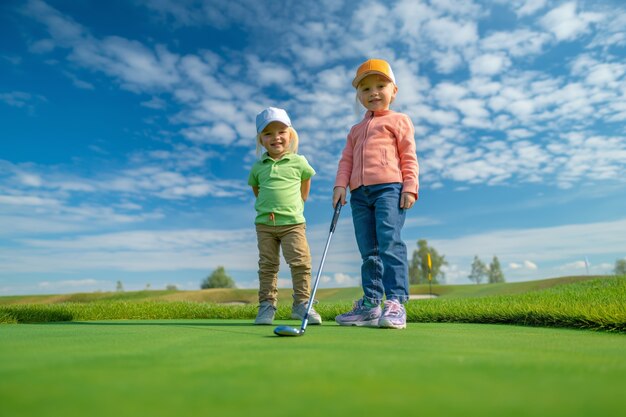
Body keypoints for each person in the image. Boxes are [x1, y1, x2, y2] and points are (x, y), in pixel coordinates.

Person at [333, 59, 419, 329]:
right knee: (368, 251)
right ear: (359, 96)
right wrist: (340, 185)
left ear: (394, 90)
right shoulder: (355, 131)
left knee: (389, 243)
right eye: (365, 89)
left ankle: (395, 301)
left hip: (389, 188)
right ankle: (371, 303)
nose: (373, 93)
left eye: (380, 86)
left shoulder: (399, 121)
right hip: (359, 194)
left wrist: (410, 186)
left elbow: (409, 155)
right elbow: (346, 160)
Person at [248, 107, 322, 326]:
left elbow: (306, 180)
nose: (275, 137)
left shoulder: (298, 161)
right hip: (265, 224)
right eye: (268, 133)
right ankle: (266, 307)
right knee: (268, 265)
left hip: (293, 224)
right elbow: (256, 188)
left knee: (300, 262)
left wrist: (300, 201)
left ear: (290, 135)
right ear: (261, 140)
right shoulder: (258, 166)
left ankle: (302, 305)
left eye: (281, 131)